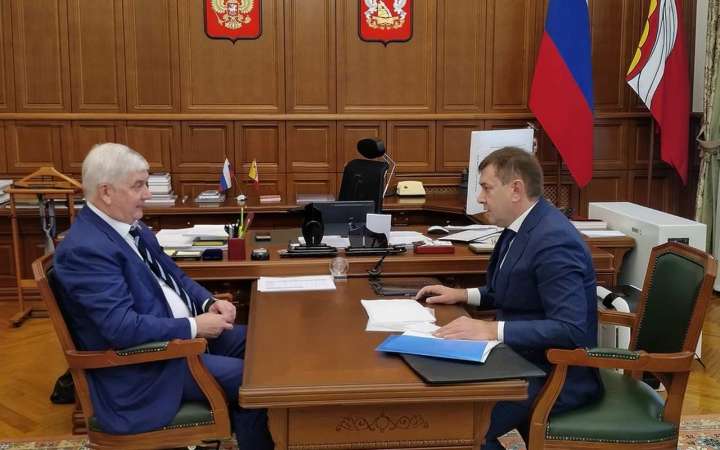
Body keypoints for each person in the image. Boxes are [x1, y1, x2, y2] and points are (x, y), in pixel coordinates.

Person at [54, 143, 273, 449]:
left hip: (177, 340)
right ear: (106, 192)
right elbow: (120, 327)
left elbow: (176, 276)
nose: (147, 194)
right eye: (138, 186)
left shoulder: (132, 227)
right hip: (147, 368)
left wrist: (209, 302)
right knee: (253, 380)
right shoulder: (85, 249)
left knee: (267, 345)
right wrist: (194, 326)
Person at [416, 147, 602, 450]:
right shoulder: (519, 227)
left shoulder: (554, 240)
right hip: (517, 359)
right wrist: (462, 294)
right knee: (444, 407)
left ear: (516, 189)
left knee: (456, 429)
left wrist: (491, 329)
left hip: (553, 375)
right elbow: (511, 291)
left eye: (487, 188)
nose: (480, 198)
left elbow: (571, 329)